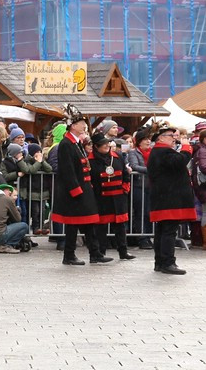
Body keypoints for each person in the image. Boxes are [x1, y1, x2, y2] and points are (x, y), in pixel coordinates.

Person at [51, 107, 107, 265]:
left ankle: (93, 253)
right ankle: (71, 255)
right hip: (75, 191)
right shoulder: (66, 144)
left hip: (83, 188)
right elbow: (67, 170)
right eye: (82, 123)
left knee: (87, 223)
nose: (84, 125)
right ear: (73, 125)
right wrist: (76, 190)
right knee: (73, 224)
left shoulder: (76, 143)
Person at [147, 123, 198, 275]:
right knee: (169, 231)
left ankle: (160, 262)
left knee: (163, 231)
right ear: (161, 138)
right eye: (171, 136)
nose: (175, 139)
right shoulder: (162, 151)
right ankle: (168, 262)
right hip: (169, 198)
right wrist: (187, 148)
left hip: (165, 197)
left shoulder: (160, 151)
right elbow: (180, 161)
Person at [88, 131, 135, 261]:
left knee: (120, 227)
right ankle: (100, 253)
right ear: (96, 147)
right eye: (103, 145)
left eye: (107, 144)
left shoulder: (117, 156)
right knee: (101, 228)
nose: (106, 146)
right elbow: (88, 180)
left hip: (118, 198)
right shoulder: (90, 161)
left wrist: (125, 188)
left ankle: (123, 251)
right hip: (101, 199)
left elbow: (125, 174)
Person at [127, 128, 154, 249]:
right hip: (138, 185)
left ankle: (148, 236)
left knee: (148, 212)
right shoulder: (133, 152)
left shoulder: (153, 152)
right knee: (140, 212)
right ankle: (142, 238)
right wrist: (151, 170)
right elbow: (134, 166)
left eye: (149, 139)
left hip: (151, 185)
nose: (148, 141)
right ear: (139, 141)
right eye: (145, 139)